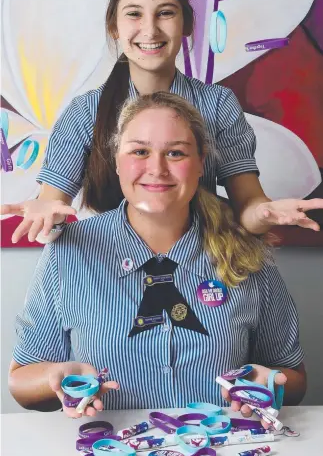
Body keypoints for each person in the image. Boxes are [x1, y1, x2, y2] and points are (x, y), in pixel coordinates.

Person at [9, 92, 306, 419]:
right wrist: (58, 378)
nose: (157, 168)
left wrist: (269, 382)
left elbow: (294, 379)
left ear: (201, 163)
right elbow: (21, 381)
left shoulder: (250, 253)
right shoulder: (68, 253)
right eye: (139, 151)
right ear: (117, 161)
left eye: (176, 153)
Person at [1, 0, 322, 244]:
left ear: (186, 24)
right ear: (115, 26)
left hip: (198, 273)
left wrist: (265, 213)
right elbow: (50, 213)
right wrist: (48, 220)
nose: (150, 29)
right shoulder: (85, 112)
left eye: (165, 13)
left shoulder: (217, 105)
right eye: (134, 14)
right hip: (109, 278)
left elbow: (250, 208)